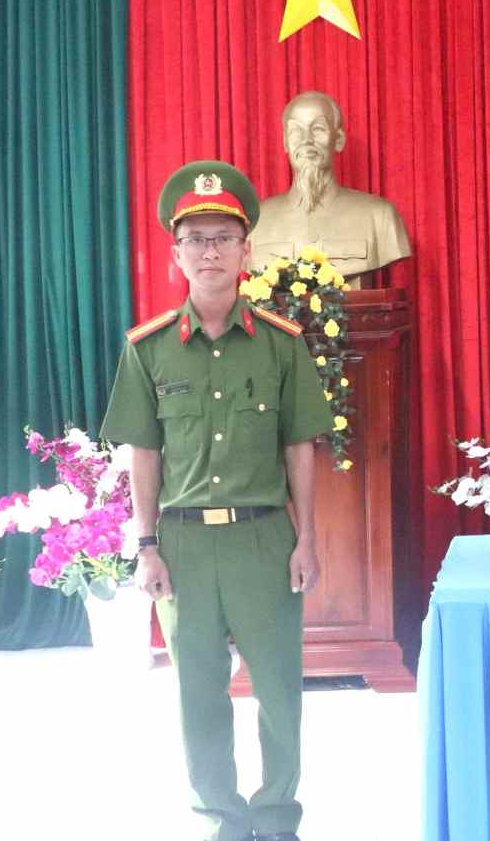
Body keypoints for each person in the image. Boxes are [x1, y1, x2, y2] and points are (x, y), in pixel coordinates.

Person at [101, 161, 333, 841]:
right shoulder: (147, 352)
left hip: (264, 539)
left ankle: (276, 816)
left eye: (222, 238)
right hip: (184, 545)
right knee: (197, 693)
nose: (209, 251)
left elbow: (299, 446)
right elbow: (143, 452)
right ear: (176, 255)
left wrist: (307, 538)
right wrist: (145, 546)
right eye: (196, 239)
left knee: (279, 692)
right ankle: (220, 818)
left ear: (245, 251)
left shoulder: (281, 346)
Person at [249, 90, 412, 280]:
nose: (306, 140)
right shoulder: (256, 222)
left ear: (339, 140)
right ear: (285, 142)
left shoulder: (380, 217)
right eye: (296, 130)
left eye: (318, 128)